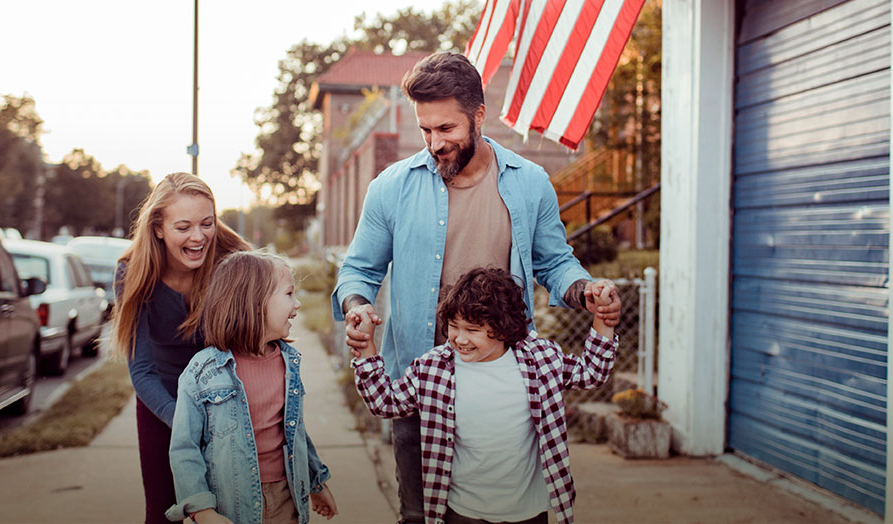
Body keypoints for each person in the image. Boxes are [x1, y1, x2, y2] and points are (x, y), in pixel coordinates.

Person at [333, 50, 622, 524]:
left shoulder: (530, 183)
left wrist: (585, 291)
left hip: (507, 386)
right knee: (419, 515)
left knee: (513, 510)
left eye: (446, 129)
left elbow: (556, 262)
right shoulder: (391, 187)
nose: (434, 143)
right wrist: (358, 305)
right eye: (425, 129)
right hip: (422, 386)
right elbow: (357, 272)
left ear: (479, 115)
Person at [351, 267, 618, 524]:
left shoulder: (540, 360)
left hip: (528, 510)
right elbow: (385, 402)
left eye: (473, 330)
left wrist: (603, 318)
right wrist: (366, 349)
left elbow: (591, 373)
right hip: (463, 511)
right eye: (454, 326)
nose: (459, 339)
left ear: (503, 328)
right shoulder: (435, 369)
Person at [106, 172, 250, 524]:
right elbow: (141, 370)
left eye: (207, 223)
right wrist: (183, 423)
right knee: (162, 514)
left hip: (227, 402)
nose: (198, 237)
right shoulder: (133, 271)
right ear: (158, 228)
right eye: (183, 227)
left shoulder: (232, 262)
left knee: (232, 510)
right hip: (162, 404)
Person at [167, 251, 338, 524]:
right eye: (289, 294)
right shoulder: (202, 372)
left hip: (286, 496)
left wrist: (316, 483)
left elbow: (296, 433)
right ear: (256, 302)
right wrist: (201, 510)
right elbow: (185, 449)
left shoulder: (288, 363)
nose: (298, 303)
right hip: (230, 503)